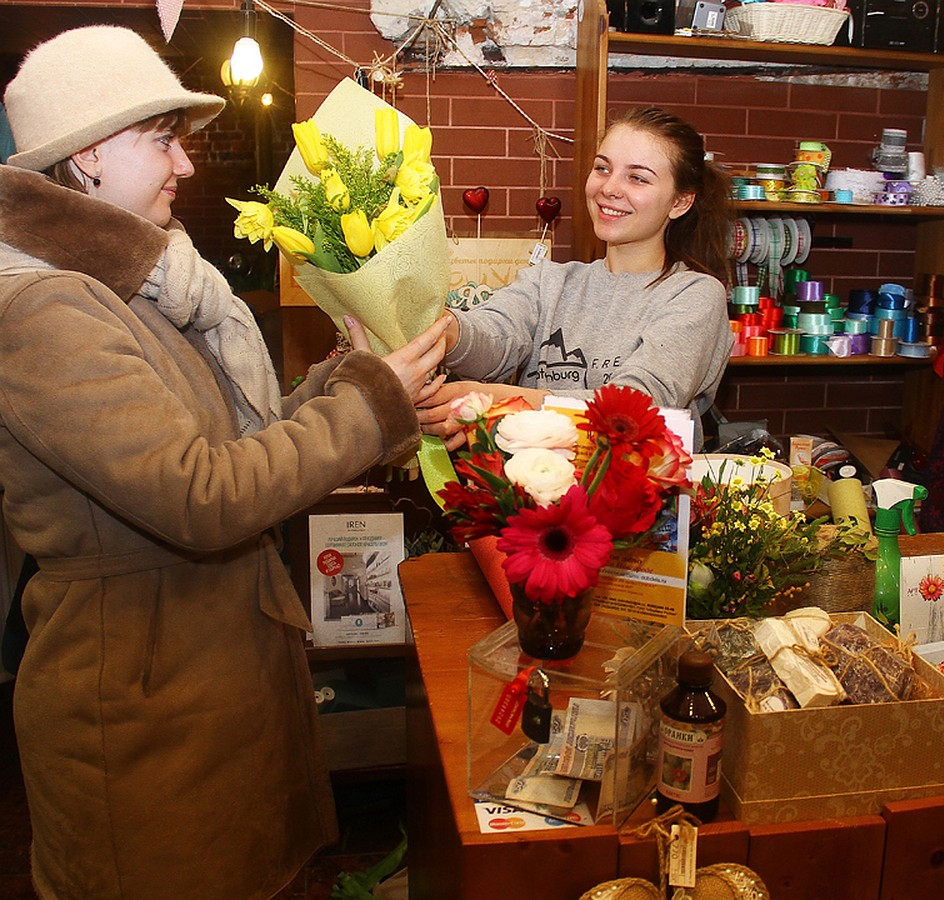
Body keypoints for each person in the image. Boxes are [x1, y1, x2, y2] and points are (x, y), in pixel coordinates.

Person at [0, 25, 449, 899]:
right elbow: (203, 495)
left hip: (205, 676)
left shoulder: (139, 284)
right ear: (89, 155)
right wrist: (372, 404)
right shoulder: (45, 310)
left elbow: (236, 443)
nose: (187, 167)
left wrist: (355, 382)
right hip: (142, 708)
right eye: (163, 139)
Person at [421, 106, 733, 448]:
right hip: (533, 494)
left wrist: (497, 401)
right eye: (602, 168)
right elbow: (494, 340)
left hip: (640, 498)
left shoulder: (694, 294)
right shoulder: (550, 282)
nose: (609, 188)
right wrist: (442, 328)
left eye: (637, 177)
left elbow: (637, 406)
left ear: (680, 202)